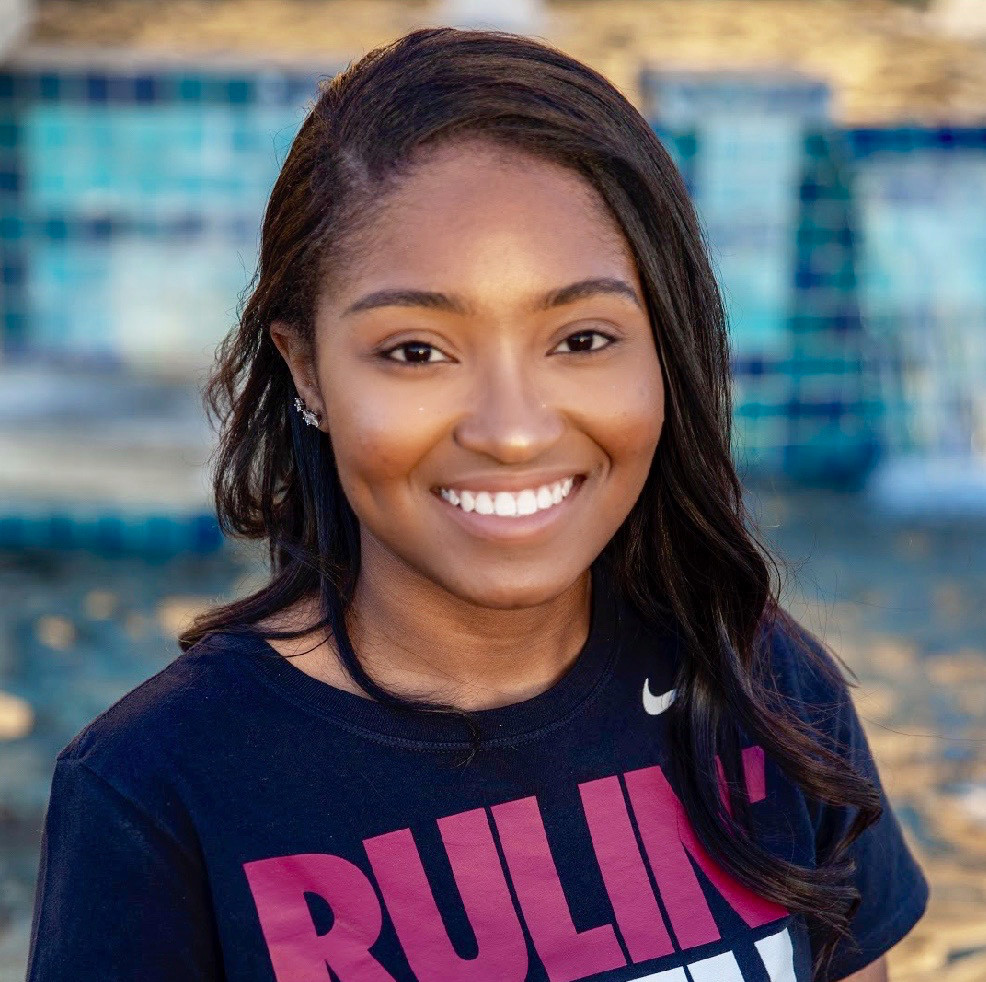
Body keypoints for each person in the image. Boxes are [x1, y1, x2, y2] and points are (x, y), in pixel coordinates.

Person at [26, 27, 927, 982]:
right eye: (416, 351)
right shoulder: (158, 791)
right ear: (308, 369)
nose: (513, 431)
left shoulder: (757, 684)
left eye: (582, 339)